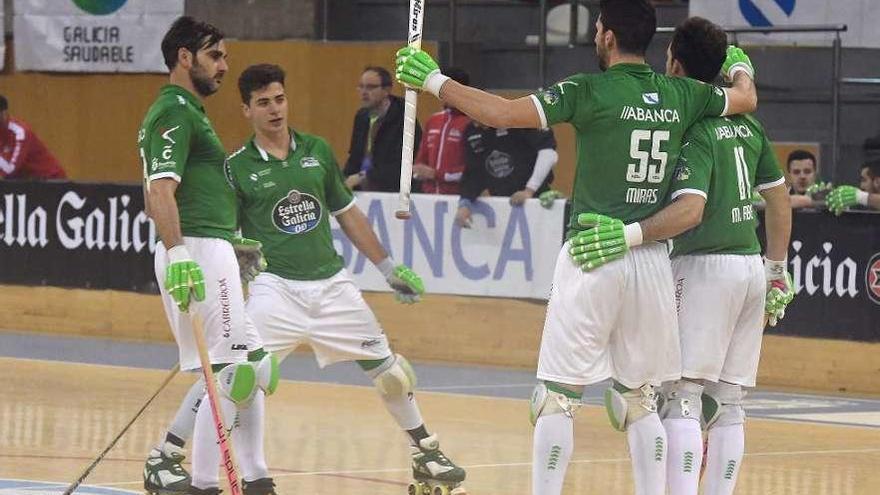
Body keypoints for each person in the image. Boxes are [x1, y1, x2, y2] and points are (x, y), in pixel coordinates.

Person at [395, 1, 758, 493]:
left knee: (557, 397)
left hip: (592, 254)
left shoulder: (587, 90)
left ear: (605, 36)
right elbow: (745, 97)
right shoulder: (684, 94)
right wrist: (737, 63)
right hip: (650, 259)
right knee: (641, 400)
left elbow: (502, 111)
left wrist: (435, 81)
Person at [225, 63, 465, 494]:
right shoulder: (237, 167)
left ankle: (426, 452)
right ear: (247, 110)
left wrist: (388, 269)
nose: (275, 109)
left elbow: (348, 215)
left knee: (392, 374)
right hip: (274, 288)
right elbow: (224, 231)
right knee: (243, 377)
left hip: (332, 285)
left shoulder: (315, 150)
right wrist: (234, 250)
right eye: (263, 103)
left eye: (279, 99)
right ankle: (242, 471)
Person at [138, 17, 276, 495]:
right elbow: (159, 190)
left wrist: (229, 244)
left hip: (209, 246)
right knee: (232, 372)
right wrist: (179, 254)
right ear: (184, 57)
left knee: (255, 365)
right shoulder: (174, 111)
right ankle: (199, 482)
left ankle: (256, 480)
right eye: (215, 56)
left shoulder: (189, 111)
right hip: (194, 251)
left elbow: (186, 192)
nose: (223, 66)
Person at [656, 18, 793, 495]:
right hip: (750, 266)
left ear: (675, 62)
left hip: (703, 266)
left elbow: (688, 211)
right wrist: (776, 271)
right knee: (730, 400)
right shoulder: (749, 123)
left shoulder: (692, 121)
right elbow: (779, 200)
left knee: (683, 395)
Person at [455, 124, 559, 228]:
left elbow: (548, 153)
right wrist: (465, 202)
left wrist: (529, 190)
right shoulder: (472, 131)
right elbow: (473, 171)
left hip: (535, 201)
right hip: (503, 205)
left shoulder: (524, 118)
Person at [343, 66, 421, 192]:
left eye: (370, 87)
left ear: (387, 90)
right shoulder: (362, 116)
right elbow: (355, 157)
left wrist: (364, 177)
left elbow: (401, 165)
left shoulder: (404, 118)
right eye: (361, 86)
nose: (364, 92)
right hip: (362, 188)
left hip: (393, 190)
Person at [413, 67, 471, 195]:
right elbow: (420, 160)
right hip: (429, 198)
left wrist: (437, 174)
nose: (442, 95)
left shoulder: (471, 123)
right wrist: (418, 172)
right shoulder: (434, 120)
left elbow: (472, 170)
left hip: (458, 198)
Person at [0, 95, 66, 180]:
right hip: (27, 182)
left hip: (50, 181)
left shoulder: (20, 133)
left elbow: (10, 169)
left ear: (4, 114)